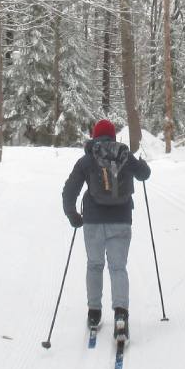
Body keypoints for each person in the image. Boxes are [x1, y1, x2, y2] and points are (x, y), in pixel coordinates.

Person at [62, 119, 151, 342]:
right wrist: (142, 163)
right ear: (113, 136)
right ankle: (121, 317)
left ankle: (94, 313)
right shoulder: (125, 155)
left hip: (92, 221)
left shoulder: (87, 159)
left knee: (94, 265)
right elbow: (144, 174)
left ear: (94, 136)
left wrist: (73, 215)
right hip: (121, 220)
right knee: (118, 267)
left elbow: (69, 190)